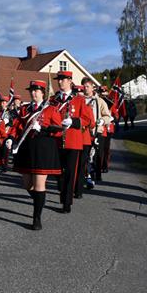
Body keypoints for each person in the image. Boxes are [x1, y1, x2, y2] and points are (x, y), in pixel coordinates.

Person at [12, 80, 62, 230]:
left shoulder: (51, 109)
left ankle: (37, 218)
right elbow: (18, 126)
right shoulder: (25, 109)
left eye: (36, 90)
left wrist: (43, 128)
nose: (33, 93)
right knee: (27, 184)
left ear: (43, 93)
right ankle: (39, 202)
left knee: (39, 185)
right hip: (27, 149)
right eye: (32, 90)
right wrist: (10, 139)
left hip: (43, 150)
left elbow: (59, 130)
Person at [53, 71, 93, 213]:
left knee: (70, 172)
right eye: (59, 79)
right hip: (56, 140)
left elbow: (87, 120)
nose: (60, 82)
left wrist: (74, 121)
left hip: (73, 141)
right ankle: (62, 192)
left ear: (70, 81)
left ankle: (66, 202)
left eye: (63, 79)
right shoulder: (54, 100)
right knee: (58, 173)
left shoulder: (79, 100)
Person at [82, 79, 111, 191]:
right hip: (83, 132)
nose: (85, 88)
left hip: (95, 132)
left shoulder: (99, 101)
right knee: (84, 156)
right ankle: (85, 176)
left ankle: (91, 177)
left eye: (88, 86)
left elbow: (107, 116)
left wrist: (102, 121)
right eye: (84, 86)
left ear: (92, 87)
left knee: (93, 156)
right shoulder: (80, 100)